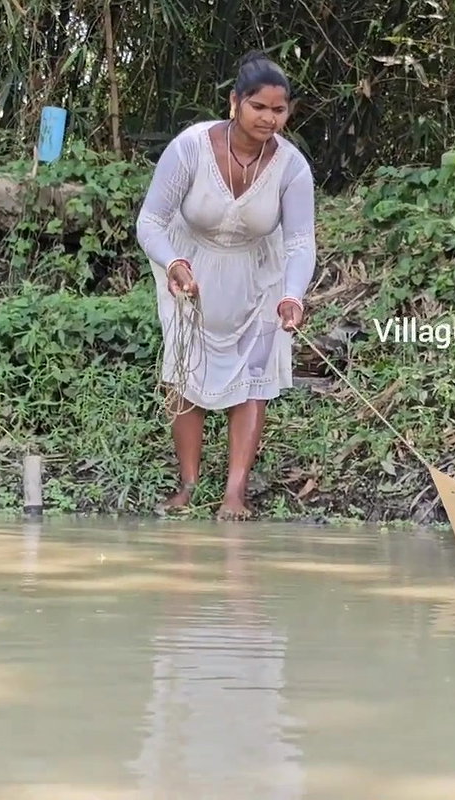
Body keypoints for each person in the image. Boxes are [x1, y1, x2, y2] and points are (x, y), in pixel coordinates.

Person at [135, 50, 317, 521]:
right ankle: (189, 485)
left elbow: (299, 242)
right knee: (183, 375)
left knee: (253, 380)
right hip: (187, 271)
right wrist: (173, 261)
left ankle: (234, 492)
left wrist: (292, 296)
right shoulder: (191, 146)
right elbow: (150, 221)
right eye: (259, 107)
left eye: (279, 110)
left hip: (259, 277)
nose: (269, 118)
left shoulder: (292, 167)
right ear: (235, 102)